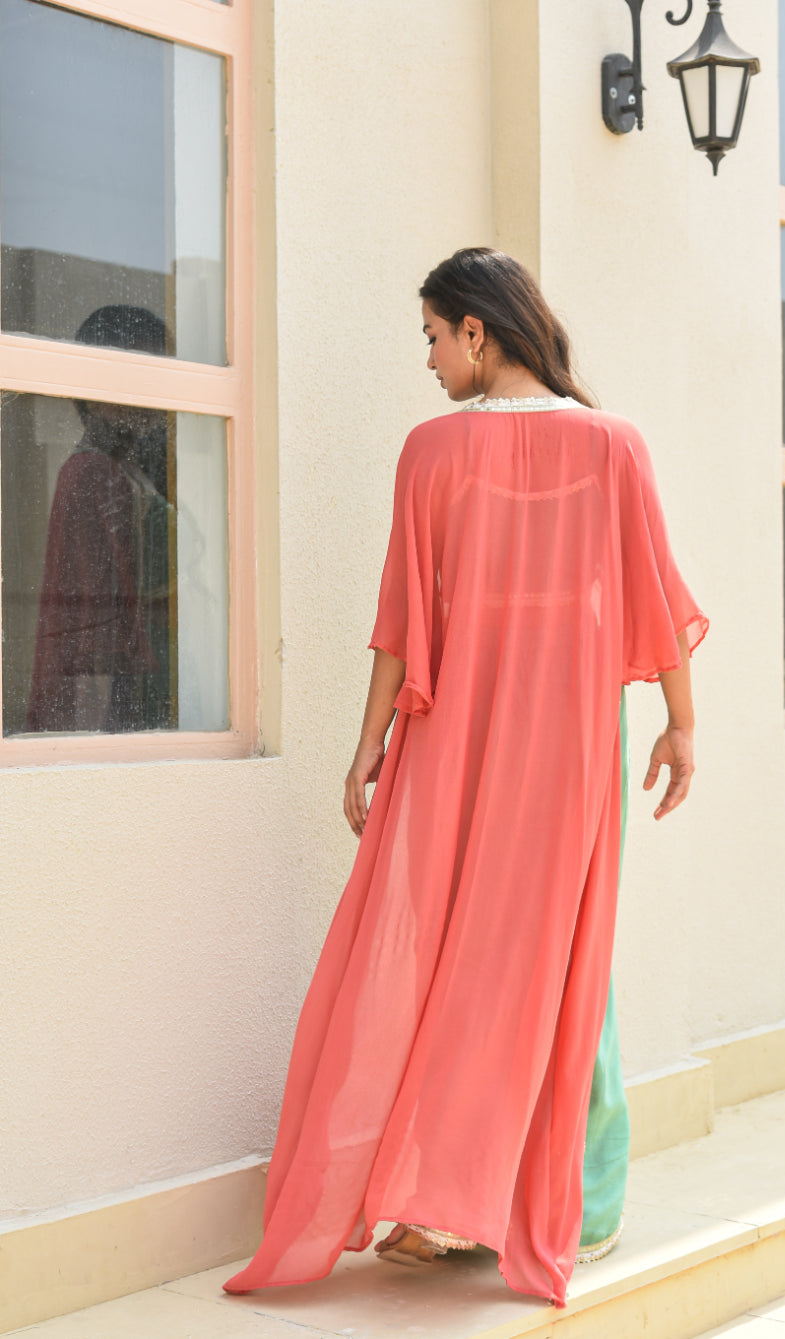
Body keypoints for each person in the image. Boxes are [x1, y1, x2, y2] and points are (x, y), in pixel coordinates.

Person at [224, 248, 707, 1309]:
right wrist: (679, 722)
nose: (431, 358)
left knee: (438, 951)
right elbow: (654, 598)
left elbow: (405, 617)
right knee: (550, 956)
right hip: (571, 742)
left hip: (455, 738)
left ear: (478, 333)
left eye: (435, 337)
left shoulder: (432, 453)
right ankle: (547, 1200)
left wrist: (369, 746)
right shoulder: (612, 445)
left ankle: (456, 1199)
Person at [27, 305, 173, 733]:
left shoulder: (128, 472)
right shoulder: (92, 472)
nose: (151, 402)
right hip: (114, 684)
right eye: (140, 378)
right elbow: (92, 612)